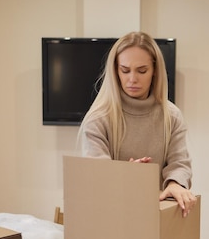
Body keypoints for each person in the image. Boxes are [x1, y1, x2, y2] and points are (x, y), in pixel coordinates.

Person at [79, 31, 197, 217]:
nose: (132, 79)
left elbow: (179, 164)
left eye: (142, 71)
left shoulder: (172, 116)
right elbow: (97, 175)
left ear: (154, 70)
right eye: (125, 70)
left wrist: (175, 184)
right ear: (115, 71)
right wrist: (126, 175)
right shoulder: (98, 119)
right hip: (108, 216)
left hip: (155, 216)